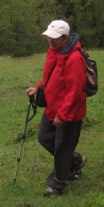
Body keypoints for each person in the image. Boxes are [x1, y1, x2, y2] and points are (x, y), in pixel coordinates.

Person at [25, 20, 88, 197]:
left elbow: (75, 92)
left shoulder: (74, 59)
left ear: (65, 38)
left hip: (69, 113)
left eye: (55, 38)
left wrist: (63, 114)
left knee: (62, 147)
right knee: (44, 137)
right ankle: (75, 160)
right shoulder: (54, 52)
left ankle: (57, 184)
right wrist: (38, 88)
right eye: (49, 37)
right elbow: (50, 78)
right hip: (52, 107)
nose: (51, 41)